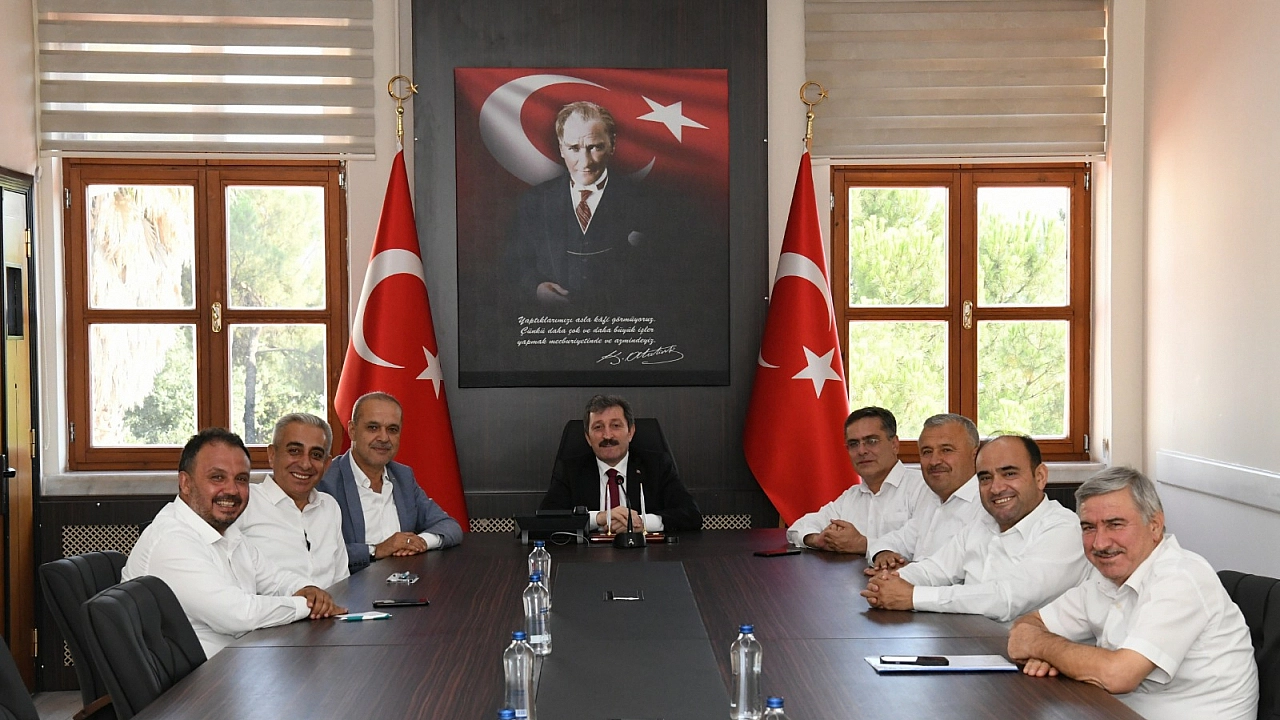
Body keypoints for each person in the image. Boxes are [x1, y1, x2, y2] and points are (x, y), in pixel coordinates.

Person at [1008, 467, 1258, 720]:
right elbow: (1022, 632)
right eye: (1089, 528)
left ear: (1155, 525)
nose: (1100, 543)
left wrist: (1043, 649)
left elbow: (1118, 676)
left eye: (1115, 525)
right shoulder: (1106, 578)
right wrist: (1049, 651)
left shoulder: (1180, 577)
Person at [123, 428, 344, 658]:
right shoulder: (172, 539)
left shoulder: (227, 533)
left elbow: (275, 578)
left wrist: (308, 590)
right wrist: (305, 605)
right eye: (217, 477)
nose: (231, 490)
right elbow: (238, 615)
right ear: (185, 483)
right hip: (197, 678)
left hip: (237, 664)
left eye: (241, 479)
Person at [861, 434, 1088, 622]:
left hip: (1036, 659)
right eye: (985, 478)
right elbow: (935, 569)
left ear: (1040, 477)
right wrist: (888, 582)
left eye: (1009, 474)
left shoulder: (1064, 529)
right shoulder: (983, 524)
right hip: (973, 643)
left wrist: (913, 596)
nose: (996, 488)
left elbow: (1006, 599)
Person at [511, 101, 659, 307]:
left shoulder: (645, 202)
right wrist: (536, 289)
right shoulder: (534, 202)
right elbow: (517, 264)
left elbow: (660, 273)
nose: (586, 161)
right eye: (574, 148)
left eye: (595, 147)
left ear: (612, 145)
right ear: (561, 148)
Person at [319, 392, 463, 574]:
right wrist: (377, 550)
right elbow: (319, 553)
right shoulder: (326, 481)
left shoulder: (402, 476)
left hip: (405, 582)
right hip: (350, 587)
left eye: (392, 429)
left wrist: (421, 542)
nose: (384, 438)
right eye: (373, 428)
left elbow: (450, 526)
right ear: (352, 430)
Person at [538, 394, 702, 532]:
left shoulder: (656, 466)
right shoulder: (571, 470)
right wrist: (599, 518)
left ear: (630, 432)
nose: (607, 436)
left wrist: (641, 522)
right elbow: (545, 521)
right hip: (588, 556)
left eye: (615, 426)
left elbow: (691, 515)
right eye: (598, 427)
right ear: (588, 438)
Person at [785, 407, 928, 554]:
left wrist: (863, 545)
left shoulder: (923, 488)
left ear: (894, 444)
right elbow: (797, 528)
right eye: (853, 444)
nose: (861, 451)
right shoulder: (851, 497)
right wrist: (817, 539)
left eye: (871, 441)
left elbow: (926, 543)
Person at [237, 413, 349, 589]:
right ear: (272, 455)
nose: (305, 464)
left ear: (327, 464)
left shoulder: (329, 507)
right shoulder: (245, 503)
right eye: (294, 451)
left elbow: (341, 582)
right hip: (273, 607)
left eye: (316, 455)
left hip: (332, 605)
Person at [866, 413, 985, 569]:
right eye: (927, 452)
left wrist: (904, 574)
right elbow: (896, 541)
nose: (934, 461)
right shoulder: (931, 499)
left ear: (975, 455)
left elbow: (955, 571)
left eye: (946, 450)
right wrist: (884, 555)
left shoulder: (986, 504)